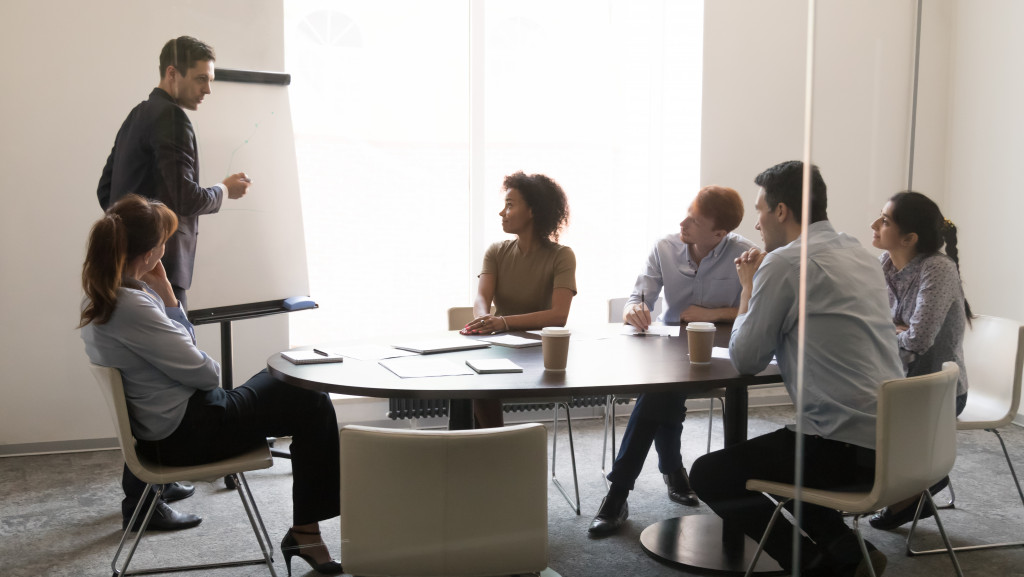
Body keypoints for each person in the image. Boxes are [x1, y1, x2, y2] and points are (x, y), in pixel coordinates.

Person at [80, 195, 342, 576]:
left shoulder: (103, 296)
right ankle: (306, 533)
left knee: (291, 377)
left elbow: (191, 368)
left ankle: (306, 531)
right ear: (152, 252)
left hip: (178, 424)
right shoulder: (132, 306)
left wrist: (168, 299)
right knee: (311, 395)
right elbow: (206, 373)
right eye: (165, 240)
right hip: (189, 432)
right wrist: (170, 302)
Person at [689, 161, 905, 577]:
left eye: (760, 210)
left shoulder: (786, 263)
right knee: (782, 453)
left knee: (710, 473)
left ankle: (813, 565)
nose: (757, 223)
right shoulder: (859, 254)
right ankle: (845, 548)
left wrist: (748, 287)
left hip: (844, 450)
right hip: (897, 442)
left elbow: (746, 358)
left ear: (782, 211)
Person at [96, 35, 251, 531]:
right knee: (168, 372)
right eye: (201, 77)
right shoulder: (173, 118)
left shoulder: (138, 113)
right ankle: (144, 503)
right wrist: (223, 191)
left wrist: (131, 239)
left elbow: (104, 190)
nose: (208, 88)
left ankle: (156, 484)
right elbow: (184, 196)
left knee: (147, 375)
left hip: (134, 262)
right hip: (159, 264)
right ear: (172, 74)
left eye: (211, 78)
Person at [588, 185, 756, 536]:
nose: (683, 223)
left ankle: (619, 493)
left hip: (721, 354)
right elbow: (638, 295)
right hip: (669, 351)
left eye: (694, 220)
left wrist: (713, 312)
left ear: (719, 233)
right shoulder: (665, 246)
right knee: (663, 393)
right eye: (686, 213)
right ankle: (672, 471)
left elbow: (755, 307)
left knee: (660, 395)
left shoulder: (746, 254)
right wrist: (634, 307)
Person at [867, 191, 971, 530]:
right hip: (897, 382)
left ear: (909, 238)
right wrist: (893, 330)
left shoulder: (938, 269)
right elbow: (875, 324)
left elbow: (918, 338)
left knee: (857, 421)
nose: (874, 225)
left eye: (884, 221)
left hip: (937, 393)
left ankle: (922, 481)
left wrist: (891, 332)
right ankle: (910, 487)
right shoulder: (885, 266)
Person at [462, 171, 576, 428]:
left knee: (479, 385)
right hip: (502, 349)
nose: (502, 213)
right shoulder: (496, 251)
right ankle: (493, 450)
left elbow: (559, 315)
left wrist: (502, 322)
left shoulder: (562, 256)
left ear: (533, 211)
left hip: (542, 354)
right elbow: (482, 296)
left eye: (510, 205)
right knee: (473, 383)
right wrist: (483, 317)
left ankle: (495, 451)